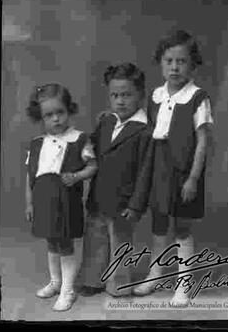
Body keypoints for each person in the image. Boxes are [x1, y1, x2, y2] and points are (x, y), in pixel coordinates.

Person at [133, 30, 213, 304]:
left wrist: (193, 178)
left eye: (181, 61)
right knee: (157, 224)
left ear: (192, 65)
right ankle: (154, 276)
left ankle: (184, 284)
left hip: (183, 171)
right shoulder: (155, 96)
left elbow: (203, 142)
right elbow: (150, 135)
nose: (175, 67)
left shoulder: (197, 97)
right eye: (169, 61)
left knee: (182, 227)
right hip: (159, 169)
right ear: (160, 63)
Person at [78, 62, 153, 297]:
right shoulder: (106, 121)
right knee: (95, 239)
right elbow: (93, 146)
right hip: (99, 194)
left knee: (120, 242)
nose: (120, 101)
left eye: (127, 95)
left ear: (140, 95)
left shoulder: (145, 131)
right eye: (115, 95)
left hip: (124, 200)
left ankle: (118, 284)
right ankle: (92, 280)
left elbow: (145, 172)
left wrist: (136, 204)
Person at [25, 83, 97, 311]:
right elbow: (30, 177)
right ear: (41, 117)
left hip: (66, 201)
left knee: (65, 245)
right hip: (43, 200)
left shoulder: (79, 139)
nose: (56, 119)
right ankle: (56, 282)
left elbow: (93, 167)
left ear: (69, 110)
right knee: (51, 242)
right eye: (49, 115)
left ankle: (68, 290)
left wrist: (76, 176)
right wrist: (29, 203)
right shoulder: (37, 144)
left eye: (60, 112)